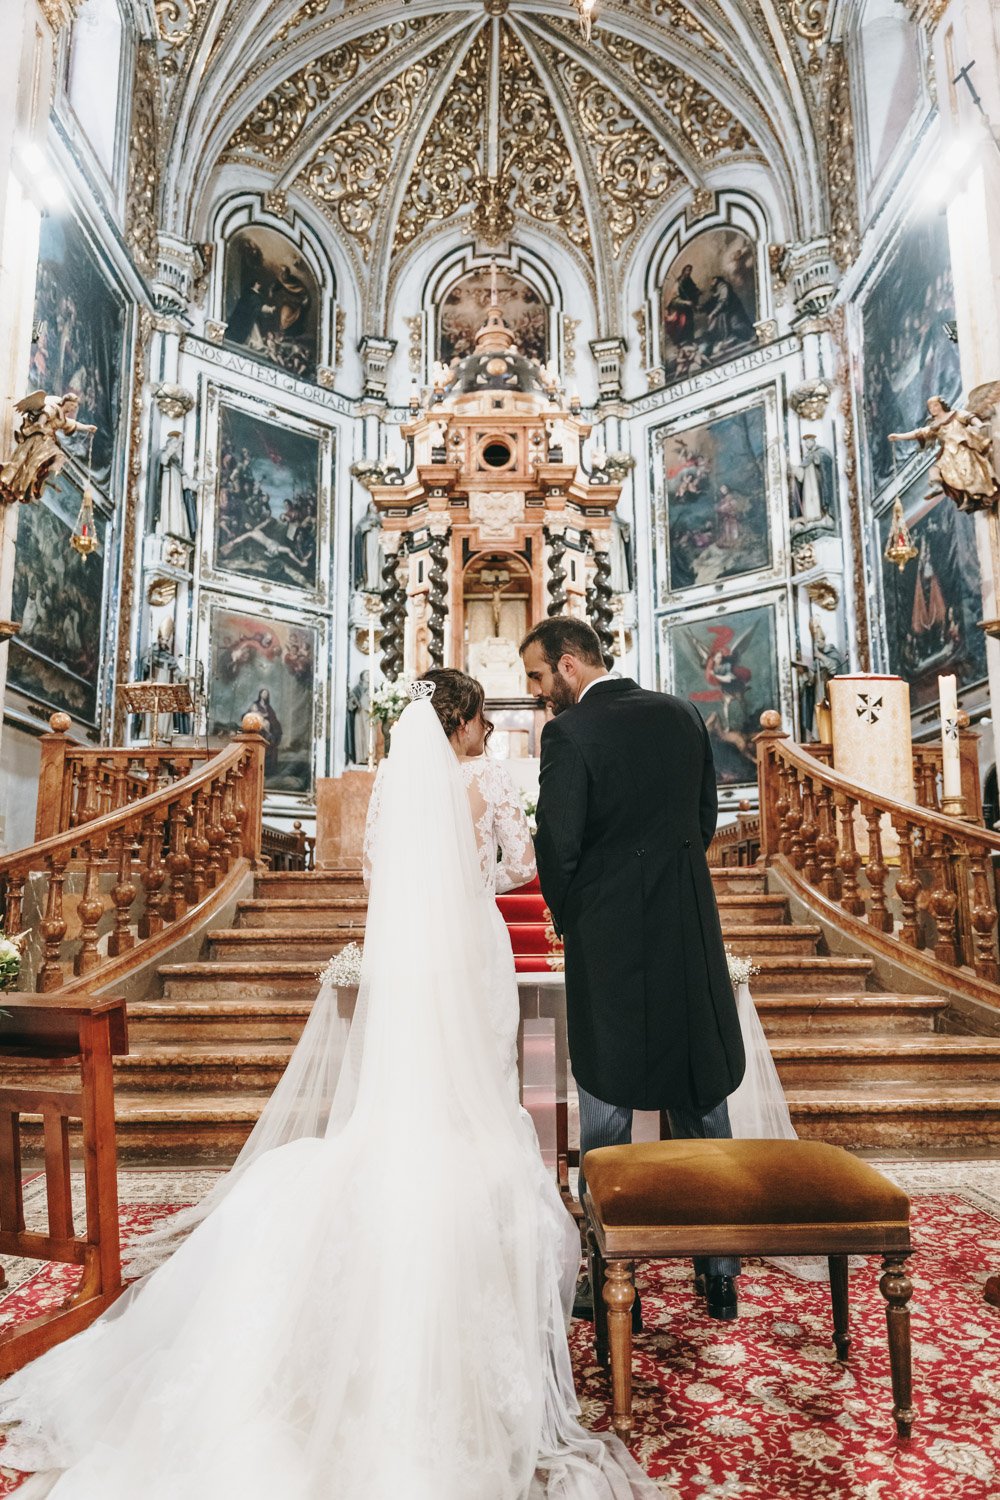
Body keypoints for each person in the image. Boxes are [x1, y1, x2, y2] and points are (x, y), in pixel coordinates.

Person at [0, 671, 658, 1500]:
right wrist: (484, 865)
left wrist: (434, 898)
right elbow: (516, 871)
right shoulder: (486, 783)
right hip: (477, 952)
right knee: (478, 1098)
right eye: (484, 717)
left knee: (412, 1097)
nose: (492, 730)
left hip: (416, 958)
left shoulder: (395, 791)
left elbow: (383, 886)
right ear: (460, 722)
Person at [520, 617, 746, 1322]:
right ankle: (720, 1271)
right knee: (701, 1088)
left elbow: (557, 844)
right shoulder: (682, 715)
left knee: (607, 1104)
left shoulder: (569, 734)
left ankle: (613, 1272)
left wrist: (574, 912)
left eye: (536, 677)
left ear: (567, 666)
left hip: (609, 933)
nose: (536, 697)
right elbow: (706, 818)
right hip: (686, 923)